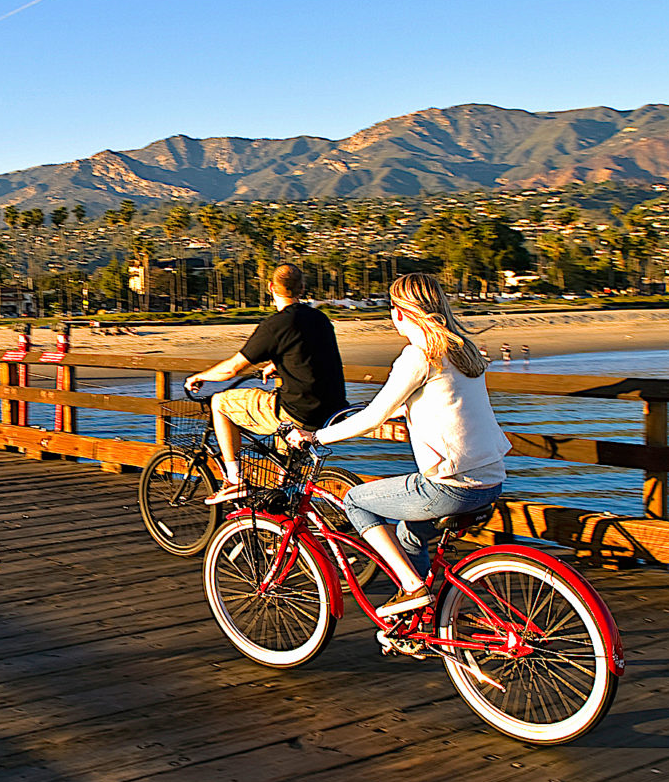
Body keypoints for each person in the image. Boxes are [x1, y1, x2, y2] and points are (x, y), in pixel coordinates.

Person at [287, 273, 509, 618]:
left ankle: (414, 587)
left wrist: (316, 436)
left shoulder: (419, 356)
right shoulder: (461, 351)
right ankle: (415, 621)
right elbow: (444, 402)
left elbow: (372, 417)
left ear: (400, 312)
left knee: (355, 501)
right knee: (410, 535)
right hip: (491, 480)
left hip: (450, 486)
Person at [184, 264, 346, 505]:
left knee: (219, 402)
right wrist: (277, 363)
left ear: (271, 288)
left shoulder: (275, 325)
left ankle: (234, 479)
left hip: (296, 411)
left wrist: (199, 377)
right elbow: (308, 355)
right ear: (301, 288)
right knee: (285, 482)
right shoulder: (319, 319)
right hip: (331, 410)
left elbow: (231, 369)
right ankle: (282, 532)